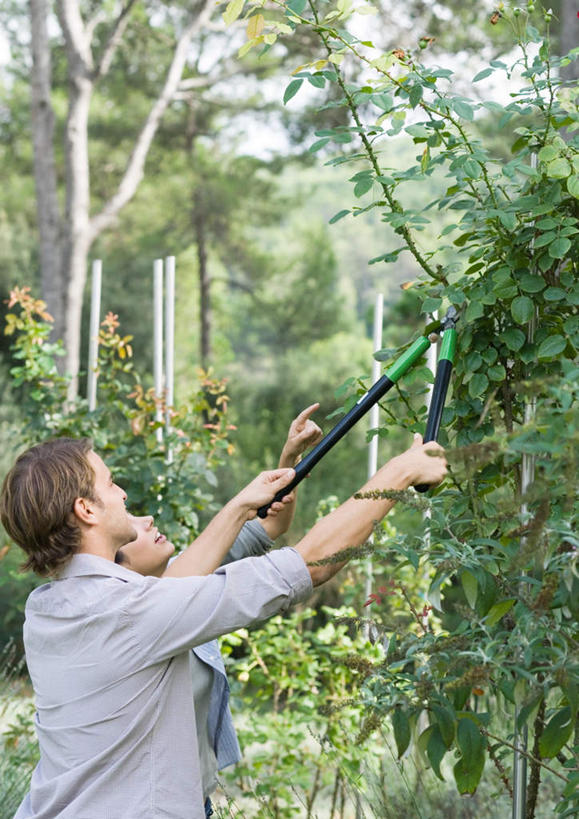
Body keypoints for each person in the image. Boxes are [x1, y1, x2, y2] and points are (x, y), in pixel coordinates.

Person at [0, 428, 446, 818]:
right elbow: (309, 566)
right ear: (87, 509)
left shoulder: (48, 608)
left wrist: (239, 507)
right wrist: (399, 474)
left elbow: (173, 584)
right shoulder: (128, 611)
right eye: (110, 483)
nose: (122, 494)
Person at [115, 405, 324, 816]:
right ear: (115, 566)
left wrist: (290, 459)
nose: (147, 519)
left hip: (197, 801)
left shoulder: (189, 574)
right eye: (130, 526)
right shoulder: (123, 623)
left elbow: (269, 527)